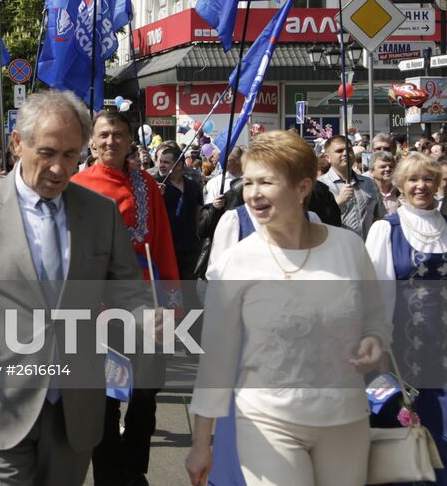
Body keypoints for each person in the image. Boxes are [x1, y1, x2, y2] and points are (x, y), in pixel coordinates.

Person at [0, 90, 152, 485]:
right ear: (18, 144)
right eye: (48, 152)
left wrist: (144, 318)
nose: (58, 168)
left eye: (70, 155)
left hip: (74, 410)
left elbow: (130, 292)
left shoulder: (100, 213)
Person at [186, 130, 389, 486]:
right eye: (248, 182)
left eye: (266, 181)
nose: (253, 193)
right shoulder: (237, 261)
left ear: (302, 187)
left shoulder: (349, 248)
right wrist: (202, 443)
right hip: (266, 421)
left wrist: (373, 339)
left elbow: (374, 316)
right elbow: (216, 358)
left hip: (346, 419)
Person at [72, 111, 181, 486]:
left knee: (145, 394)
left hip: (144, 305)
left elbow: (163, 243)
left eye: (118, 134)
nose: (110, 142)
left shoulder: (146, 184)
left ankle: (133, 468)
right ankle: (109, 474)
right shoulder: (77, 185)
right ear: (92, 141)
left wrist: (172, 302)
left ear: (130, 139)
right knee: (103, 398)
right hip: (98, 310)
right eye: (103, 135)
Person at [364, 151, 447, 485]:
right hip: (403, 354)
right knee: (406, 438)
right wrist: (379, 349)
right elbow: (374, 294)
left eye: (427, 179)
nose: (421, 186)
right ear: (400, 184)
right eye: (413, 179)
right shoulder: (386, 230)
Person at [154, 141, 203, 289]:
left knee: (189, 291)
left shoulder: (192, 186)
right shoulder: (155, 185)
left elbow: (198, 214)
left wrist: (197, 237)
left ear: (179, 165)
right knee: (169, 290)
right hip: (166, 248)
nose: (162, 165)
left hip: (189, 248)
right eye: (160, 162)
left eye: (166, 162)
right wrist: (157, 196)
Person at [320, 134, 386, 239]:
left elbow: (379, 217)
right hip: (338, 250)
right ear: (327, 157)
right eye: (339, 151)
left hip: (366, 250)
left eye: (349, 150)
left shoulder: (369, 183)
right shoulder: (320, 186)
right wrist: (337, 203)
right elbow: (316, 222)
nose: (345, 153)